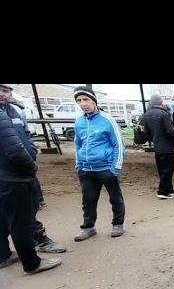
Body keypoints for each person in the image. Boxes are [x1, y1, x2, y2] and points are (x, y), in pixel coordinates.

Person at [0, 84, 65, 253]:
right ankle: (37, 243)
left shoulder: (15, 111)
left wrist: (32, 150)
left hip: (22, 170)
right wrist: (30, 165)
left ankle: (4, 254)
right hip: (12, 174)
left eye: (5, 91)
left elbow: (27, 134)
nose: (2, 94)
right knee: (22, 212)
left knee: (25, 207)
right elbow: (12, 148)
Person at [73, 86, 127, 241]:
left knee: (115, 198)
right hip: (86, 170)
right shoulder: (79, 122)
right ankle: (88, 227)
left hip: (106, 168)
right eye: (79, 101)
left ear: (94, 100)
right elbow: (78, 144)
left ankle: (118, 224)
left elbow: (118, 145)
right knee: (88, 200)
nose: (83, 104)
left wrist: (115, 168)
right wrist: (79, 164)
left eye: (86, 99)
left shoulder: (107, 120)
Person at [143, 94, 174, 200]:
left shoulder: (147, 114)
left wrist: (155, 140)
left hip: (157, 147)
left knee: (162, 169)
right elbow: (170, 130)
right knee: (167, 170)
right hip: (167, 147)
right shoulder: (164, 114)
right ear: (160, 102)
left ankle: (169, 189)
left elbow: (147, 132)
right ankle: (162, 191)